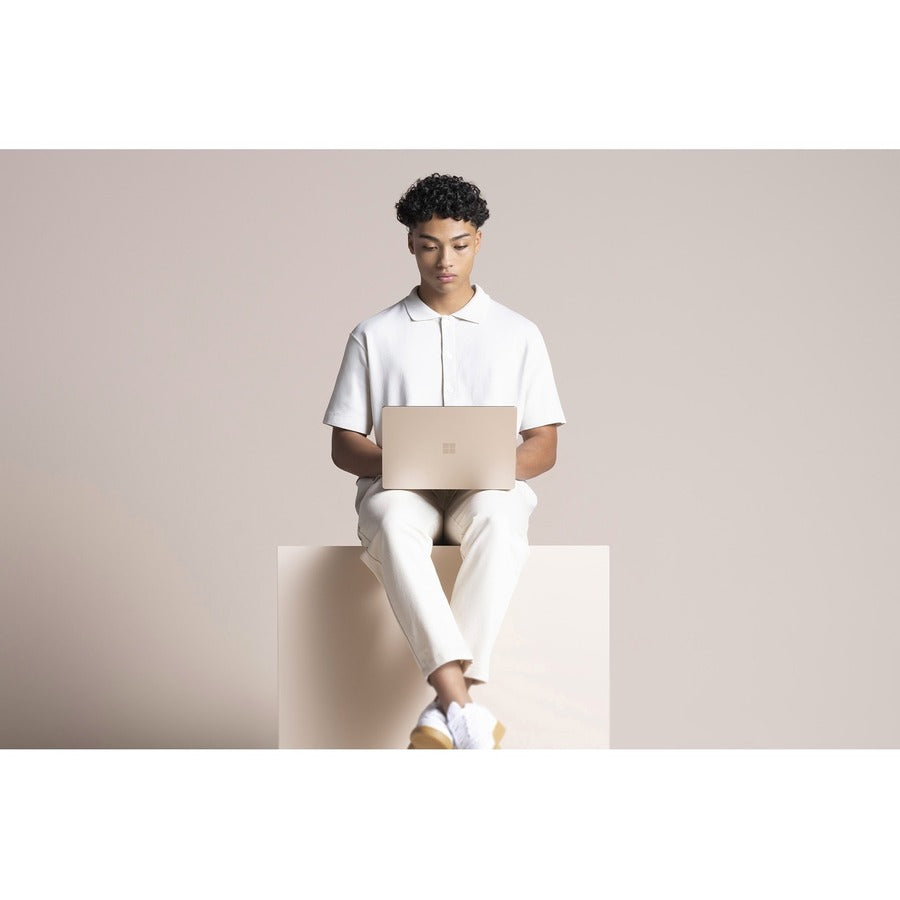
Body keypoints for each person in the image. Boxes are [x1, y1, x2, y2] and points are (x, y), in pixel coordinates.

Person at [323, 173, 566, 749]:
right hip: (400, 489)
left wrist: (487, 467)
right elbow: (343, 444)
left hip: (485, 489)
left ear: (478, 240)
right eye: (430, 245)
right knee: (389, 522)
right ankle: (462, 707)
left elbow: (544, 444)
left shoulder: (518, 334)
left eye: (458, 245)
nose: (445, 261)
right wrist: (404, 463)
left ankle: (446, 709)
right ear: (411, 243)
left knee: (500, 520)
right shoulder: (374, 334)